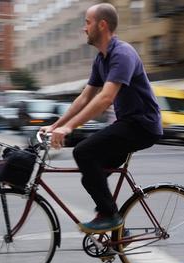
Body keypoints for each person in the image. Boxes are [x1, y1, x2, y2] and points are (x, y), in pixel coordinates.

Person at [40, 3, 163, 234]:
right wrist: (56, 125)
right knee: (91, 176)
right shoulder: (101, 59)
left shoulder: (122, 53)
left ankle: (109, 217)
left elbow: (105, 98)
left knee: (83, 152)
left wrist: (68, 129)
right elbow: (85, 98)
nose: (84, 28)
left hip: (143, 125)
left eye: (87, 22)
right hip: (128, 124)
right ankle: (118, 232)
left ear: (102, 25)